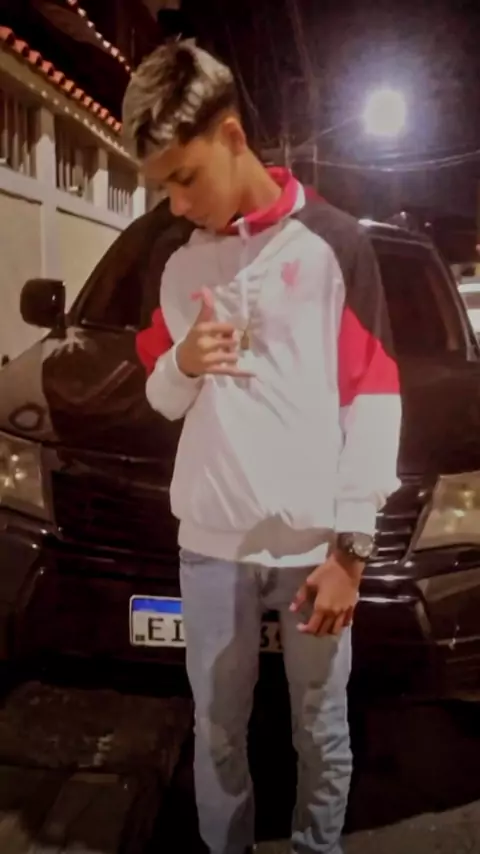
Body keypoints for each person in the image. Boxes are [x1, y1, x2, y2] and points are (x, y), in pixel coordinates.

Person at [123, 40, 402, 854]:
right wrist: (183, 362)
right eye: (163, 187)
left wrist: (351, 551)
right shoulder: (177, 264)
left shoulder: (333, 244)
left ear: (233, 136)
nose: (177, 203)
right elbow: (161, 398)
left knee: (320, 729)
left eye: (185, 177)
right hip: (210, 547)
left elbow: (373, 397)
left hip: (312, 550)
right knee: (217, 729)